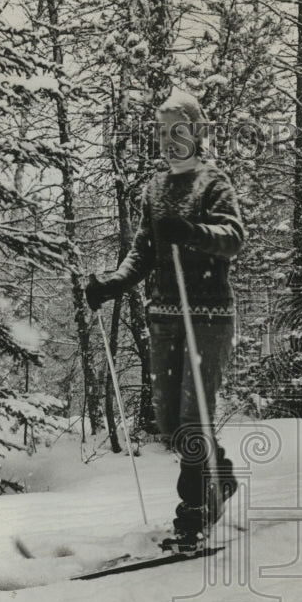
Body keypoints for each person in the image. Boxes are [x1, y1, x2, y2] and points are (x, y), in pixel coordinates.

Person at [84, 90, 246, 550]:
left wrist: (193, 233)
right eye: (161, 132)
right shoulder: (154, 189)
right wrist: (113, 284)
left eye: (178, 130)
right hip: (164, 318)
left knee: (194, 419)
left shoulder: (213, 183)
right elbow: (143, 249)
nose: (169, 140)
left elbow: (233, 237)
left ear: (195, 133)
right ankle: (223, 478)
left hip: (208, 317)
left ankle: (192, 516)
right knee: (171, 422)